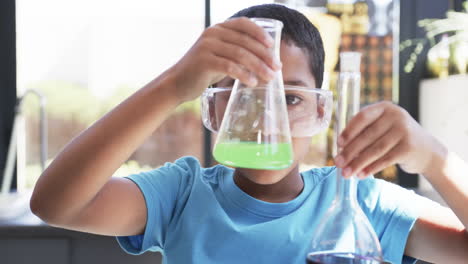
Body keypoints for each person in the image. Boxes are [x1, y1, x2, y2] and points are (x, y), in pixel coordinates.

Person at [30, 4, 468, 264]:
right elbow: (55, 204)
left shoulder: (358, 202)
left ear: (321, 110)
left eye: (289, 99)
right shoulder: (181, 193)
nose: (265, 122)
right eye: (244, 97)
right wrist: (171, 86)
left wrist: (433, 157)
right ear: (211, 107)